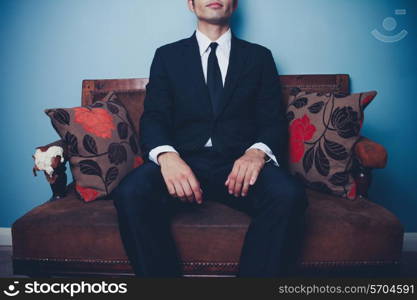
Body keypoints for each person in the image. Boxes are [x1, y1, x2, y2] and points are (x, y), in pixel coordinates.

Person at [111, 0, 309, 277]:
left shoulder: (259, 57)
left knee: (288, 195)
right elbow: (154, 116)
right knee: (131, 192)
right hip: (184, 161)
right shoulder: (167, 56)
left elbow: (272, 119)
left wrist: (257, 153)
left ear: (235, 4)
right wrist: (167, 157)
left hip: (239, 164)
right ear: (190, 4)